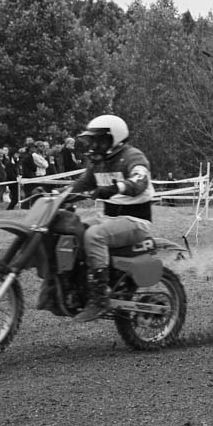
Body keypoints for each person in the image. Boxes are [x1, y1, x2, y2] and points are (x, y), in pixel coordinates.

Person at [68, 114, 155, 322]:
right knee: (72, 231)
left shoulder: (132, 156)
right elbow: (79, 186)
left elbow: (140, 179)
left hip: (135, 221)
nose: (94, 145)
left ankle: (99, 298)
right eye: (92, 140)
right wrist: (54, 197)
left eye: (99, 140)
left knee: (94, 236)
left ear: (114, 138)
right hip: (109, 218)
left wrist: (117, 187)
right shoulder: (99, 163)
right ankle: (79, 287)